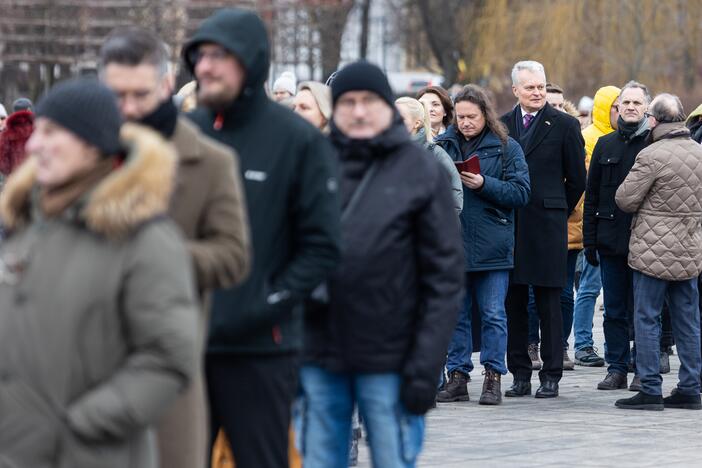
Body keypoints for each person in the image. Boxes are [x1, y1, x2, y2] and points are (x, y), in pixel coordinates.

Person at [0, 78, 198, 467]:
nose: (34, 144)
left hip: (90, 456)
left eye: (51, 132)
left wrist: (81, 424)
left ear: (92, 145)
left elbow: (168, 357)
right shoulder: (26, 224)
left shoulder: (145, 238)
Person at [182, 8, 341, 468]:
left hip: (261, 350)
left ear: (251, 60)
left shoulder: (296, 140)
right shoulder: (185, 135)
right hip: (186, 345)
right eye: (200, 55)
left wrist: (266, 303)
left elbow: (324, 246)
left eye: (218, 55)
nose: (205, 66)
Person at [98, 27, 251, 468]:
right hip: (81, 364)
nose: (127, 109)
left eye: (139, 95)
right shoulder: (83, 155)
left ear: (166, 85)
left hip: (170, 365)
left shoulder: (211, 161)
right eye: (115, 96)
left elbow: (232, 256)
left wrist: (158, 256)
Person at [301, 59, 463, 468]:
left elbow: (443, 277)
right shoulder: (309, 166)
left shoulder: (421, 170)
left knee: (393, 458)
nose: (358, 111)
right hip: (320, 354)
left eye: (368, 101)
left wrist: (426, 367)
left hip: (393, 356)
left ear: (387, 106)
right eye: (347, 102)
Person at [433, 84, 530, 405]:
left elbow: (521, 192)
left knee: (492, 314)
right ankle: (457, 375)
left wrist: (485, 184)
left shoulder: (505, 147)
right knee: (455, 315)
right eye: (460, 117)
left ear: (485, 115)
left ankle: (493, 376)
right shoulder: (443, 145)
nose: (465, 123)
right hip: (453, 243)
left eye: (471, 116)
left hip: (493, 244)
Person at [501, 60, 586, 399]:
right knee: (515, 301)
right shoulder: (503, 125)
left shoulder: (564, 124)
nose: (537, 92)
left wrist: (556, 206)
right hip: (512, 224)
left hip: (549, 224)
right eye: (530, 87)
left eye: (541, 86)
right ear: (516, 90)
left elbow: (577, 179)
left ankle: (551, 373)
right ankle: (519, 373)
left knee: (550, 300)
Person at [614, 93, 702, 411]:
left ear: (654, 120)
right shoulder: (699, 152)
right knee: (689, 321)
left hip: (652, 253)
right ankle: (691, 388)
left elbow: (625, 199)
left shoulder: (651, 155)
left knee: (647, 318)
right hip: (690, 251)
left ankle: (650, 388)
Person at [583, 81, 651, 392]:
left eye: (637, 102)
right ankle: (617, 368)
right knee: (613, 310)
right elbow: (592, 196)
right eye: (626, 103)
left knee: (644, 310)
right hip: (610, 241)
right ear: (618, 108)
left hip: (647, 242)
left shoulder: (654, 145)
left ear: (646, 108)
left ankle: (643, 368)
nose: (631, 107)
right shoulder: (605, 145)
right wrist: (590, 241)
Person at [572, 85, 620, 368]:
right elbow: (585, 185)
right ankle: (582, 342)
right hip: (596, 223)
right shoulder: (589, 138)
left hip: (619, 224)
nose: (621, 111)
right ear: (605, 108)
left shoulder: (625, 138)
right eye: (616, 106)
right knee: (589, 287)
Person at [395, 96, 463, 213]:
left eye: (400, 119)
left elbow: (455, 197)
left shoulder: (435, 154)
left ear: (417, 123)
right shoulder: (383, 151)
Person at [0, 107, 34, 189]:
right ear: (29, 109)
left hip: (13, 181)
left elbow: (3, 163)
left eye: (2, 118)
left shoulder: (7, 133)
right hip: (34, 180)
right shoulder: (39, 130)